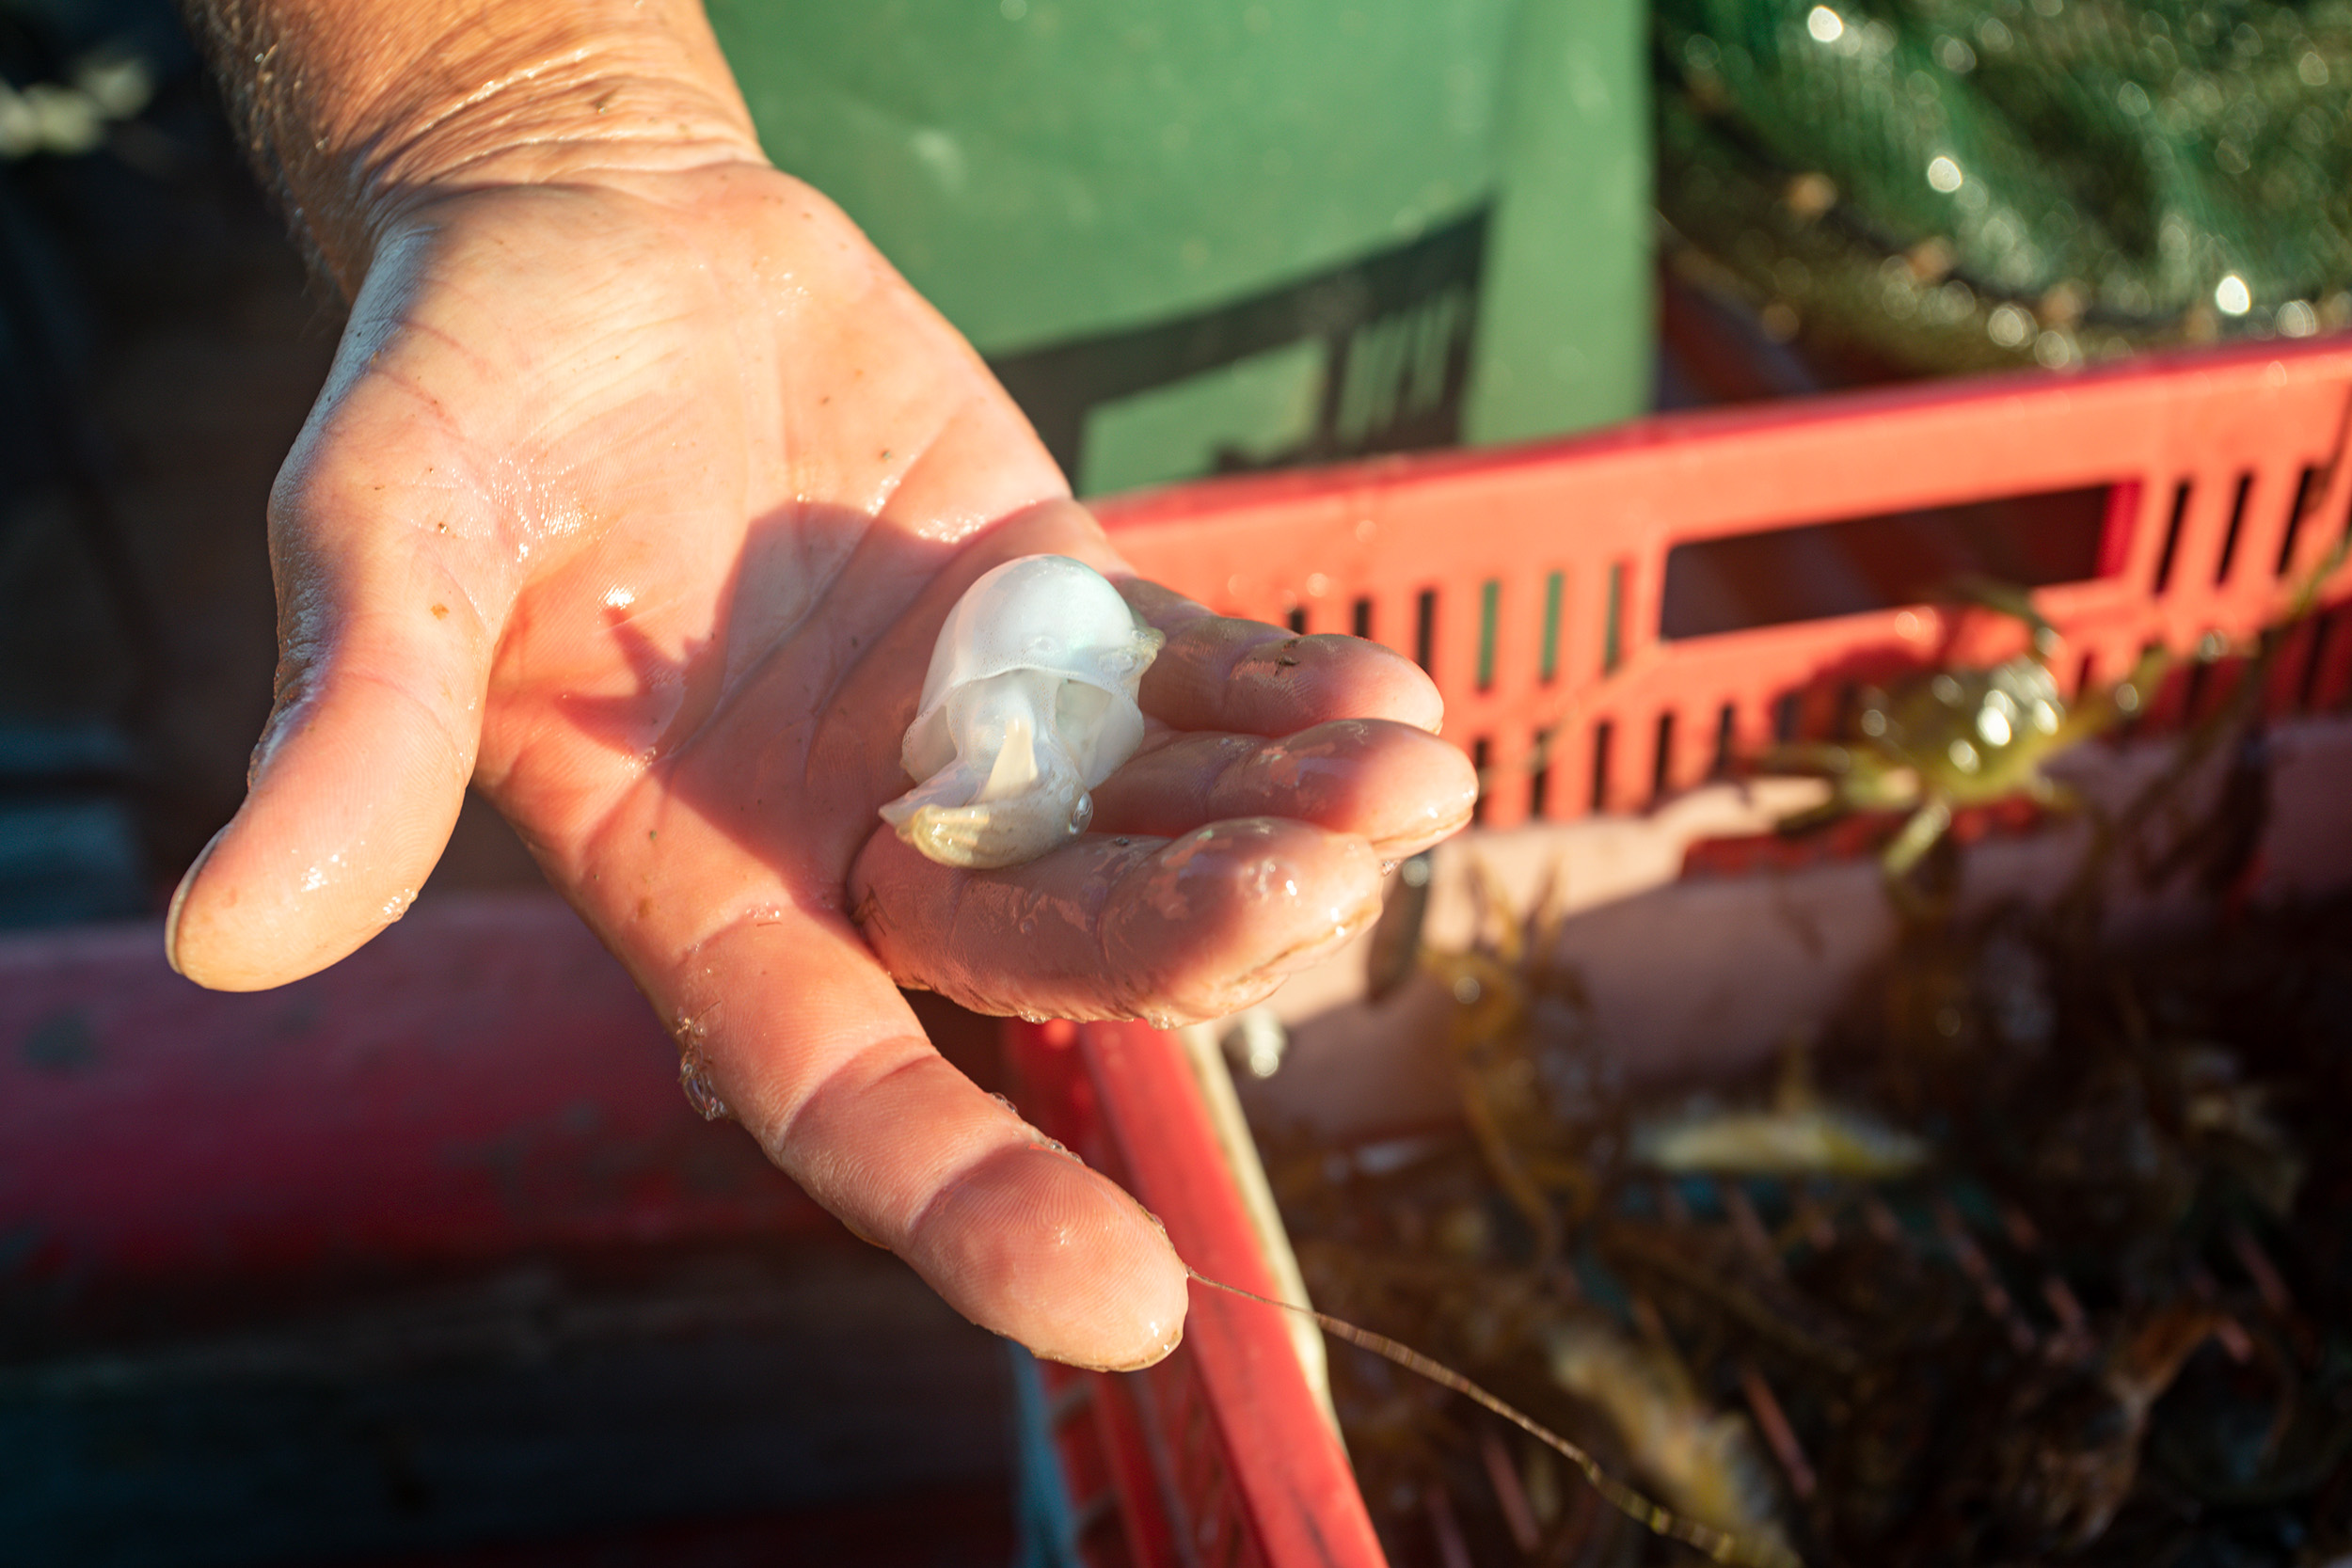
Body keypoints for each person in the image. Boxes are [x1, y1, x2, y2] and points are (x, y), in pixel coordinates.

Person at [165, 0, 1479, 1371]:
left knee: (1313, 792)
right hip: (776, 120)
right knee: (768, 973)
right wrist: (523, 110)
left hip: (1441, 138)